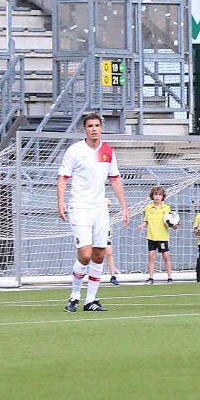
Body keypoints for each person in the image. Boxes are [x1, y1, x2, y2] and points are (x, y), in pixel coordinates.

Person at [57, 113, 130, 312]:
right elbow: (63, 177)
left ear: (101, 128)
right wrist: (61, 201)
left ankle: (90, 300)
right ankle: (74, 297)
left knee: (99, 255)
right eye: (90, 126)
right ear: (84, 129)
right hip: (79, 206)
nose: (94, 129)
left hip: (100, 208)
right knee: (85, 254)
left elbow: (114, 179)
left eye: (97, 125)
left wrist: (124, 206)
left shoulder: (107, 151)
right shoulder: (75, 151)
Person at [139, 186, 177, 283]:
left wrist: (174, 225)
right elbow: (146, 220)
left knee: (166, 256)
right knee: (151, 257)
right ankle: (151, 277)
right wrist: (142, 225)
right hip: (151, 236)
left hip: (162, 237)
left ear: (162, 196)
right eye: (155, 194)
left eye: (159, 195)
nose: (157, 197)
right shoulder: (148, 208)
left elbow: (170, 221)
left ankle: (169, 277)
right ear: (152, 196)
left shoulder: (167, 207)